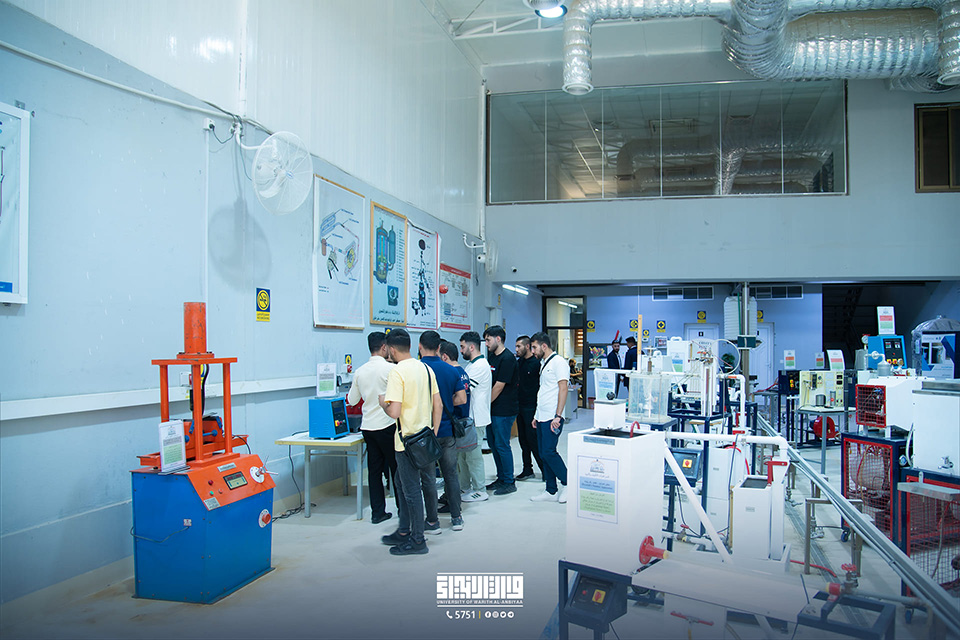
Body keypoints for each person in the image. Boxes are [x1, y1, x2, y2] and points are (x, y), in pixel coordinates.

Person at [378, 328, 442, 556]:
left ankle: (417, 539)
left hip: (405, 442)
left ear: (391, 350)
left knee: (411, 490)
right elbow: (438, 404)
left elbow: (394, 412)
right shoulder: (425, 368)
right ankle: (404, 529)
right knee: (401, 482)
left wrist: (382, 404)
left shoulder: (397, 373)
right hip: (424, 439)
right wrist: (433, 433)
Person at [346, 331, 397, 525]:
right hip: (388, 425)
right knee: (396, 469)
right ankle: (403, 510)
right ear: (384, 347)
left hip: (368, 427)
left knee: (374, 471)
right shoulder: (391, 369)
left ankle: (377, 513)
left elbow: (352, 400)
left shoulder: (360, 371)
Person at [418, 331, 466, 532]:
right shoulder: (451, 370)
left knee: (428, 478)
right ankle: (456, 518)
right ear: (439, 348)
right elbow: (462, 399)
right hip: (447, 431)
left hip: (424, 434)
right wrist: (445, 402)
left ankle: (432, 521)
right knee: (450, 474)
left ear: (420, 347)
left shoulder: (417, 370)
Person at [529, 331, 569, 504]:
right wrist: (536, 415)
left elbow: (563, 389)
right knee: (543, 453)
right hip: (542, 416)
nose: (532, 351)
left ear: (544, 346)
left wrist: (558, 416)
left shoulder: (559, 362)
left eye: (534, 347)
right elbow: (544, 390)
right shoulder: (544, 363)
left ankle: (568, 483)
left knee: (549, 452)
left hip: (553, 416)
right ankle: (551, 490)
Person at [439, 340, 477, 513]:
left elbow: (459, 399)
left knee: (450, 467)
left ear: (444, 356)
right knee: (455, 465)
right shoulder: (463, 372)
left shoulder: (450, 373)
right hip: (462, 421)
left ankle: (451, 499)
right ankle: (450, 495)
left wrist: (443, 403)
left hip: (453, 423)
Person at [483, 325, 519, 495]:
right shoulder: (492, 356)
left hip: (504, 410)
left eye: (488, 340)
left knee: (502, 445)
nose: (486, 344)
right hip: (493, 409)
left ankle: (509, 481)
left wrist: (485, 405)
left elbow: (498, 386)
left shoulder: (508, 358)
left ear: (498, 339)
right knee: (493, 444)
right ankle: (501, 477)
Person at [459, 331, 491, 502]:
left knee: (474, 456)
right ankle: (465, 487)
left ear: (472, 347)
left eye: (462, 347)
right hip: (469, 419)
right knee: (463, 456)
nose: (461, 350)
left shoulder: (480, 366)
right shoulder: (471, 365)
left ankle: (480, 489)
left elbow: (464, 389)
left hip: (477, 419)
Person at [515, 335, 543, 481]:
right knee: (523, 440)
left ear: (527, 347)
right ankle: (527, 469)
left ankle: (545, 470)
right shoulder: (519, 363)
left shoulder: (537, 364)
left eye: (519, 346)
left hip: (531, 407)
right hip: (520, 406)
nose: (516, 349)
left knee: (533, 440)